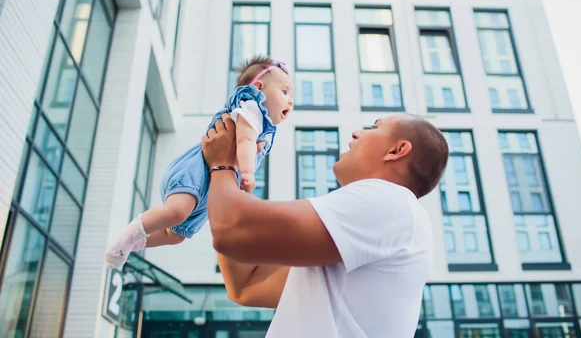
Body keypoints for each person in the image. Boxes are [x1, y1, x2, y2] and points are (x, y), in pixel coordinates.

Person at [201, 113, 449, 338]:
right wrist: (228, 172)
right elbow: (247, 285)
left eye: (373, 127)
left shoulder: (390, 200)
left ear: (397, 150)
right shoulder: (378, 222)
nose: (356, 133)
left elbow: (231, 230)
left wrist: (222, 166)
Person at [104, 56, 294, 269]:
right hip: (196, 174)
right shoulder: (251, 109)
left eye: (291, 96)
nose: (290, 100)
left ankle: (130, 244)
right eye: (285, 92)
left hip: (208, 189)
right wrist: (248, 173)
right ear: (258, 88)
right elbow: (245, 140)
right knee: (177, 213)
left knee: (175, 235)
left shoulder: (260, 125)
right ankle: (129, 233)